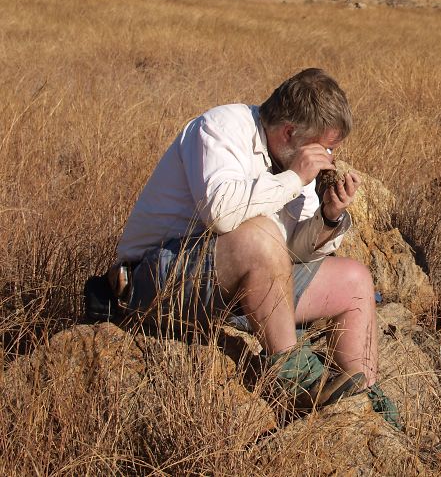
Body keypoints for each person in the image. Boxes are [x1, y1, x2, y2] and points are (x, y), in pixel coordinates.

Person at [114, 68, 399, 425]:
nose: (328, 156)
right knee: (260, 234)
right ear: (290, 132)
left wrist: (328, 216)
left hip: (234, 288)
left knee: (354, 279)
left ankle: (364, 399)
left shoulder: (290, 160)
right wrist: (294, 178)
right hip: (157, 282)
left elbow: (291, 251)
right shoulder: (220, 128)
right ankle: (292, 375)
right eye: (324, 146)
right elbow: (222, 214)